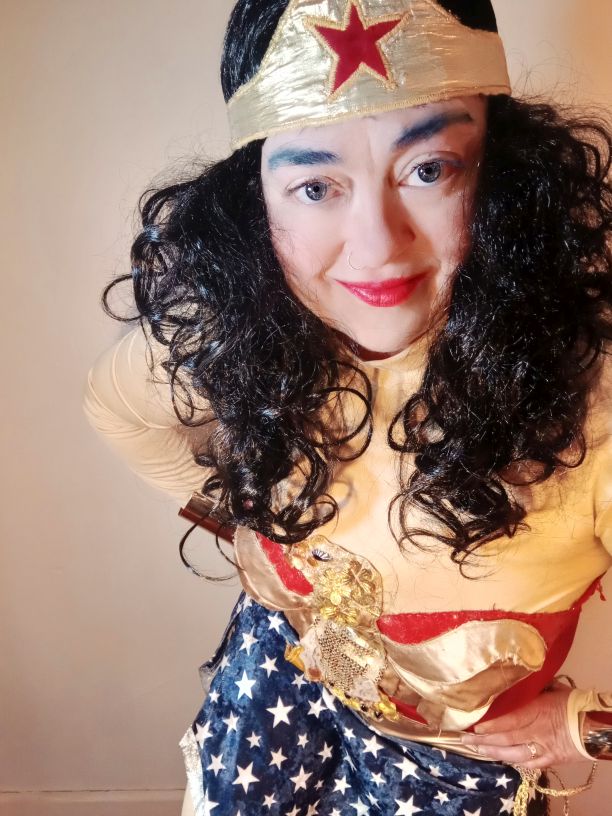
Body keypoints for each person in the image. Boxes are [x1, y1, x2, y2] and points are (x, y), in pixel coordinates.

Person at [83, 0, 612, 813]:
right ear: (255, 200)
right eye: (315, 186)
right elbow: (119, 413)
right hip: (277, 687)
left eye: (429, 169)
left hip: (450, 765)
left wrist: (591, 730)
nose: (375, 245)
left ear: (502, 171)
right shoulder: (232, 336)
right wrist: (250, 519)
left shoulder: (592, 399)